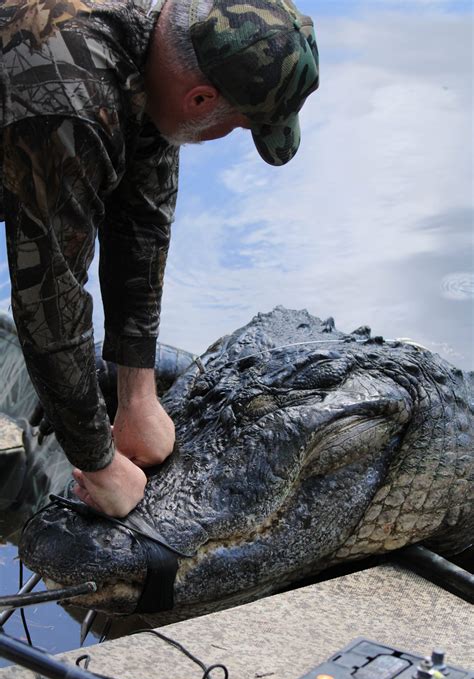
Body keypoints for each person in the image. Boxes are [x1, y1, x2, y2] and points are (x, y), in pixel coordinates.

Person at [0, 0, 319, 517]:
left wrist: (138, 395)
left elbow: (143, 219)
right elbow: (48, 298)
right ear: (199, 98)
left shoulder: (167, 41)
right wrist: (99, 465)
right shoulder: (71, 100)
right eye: (236, 125)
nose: (226, 135)